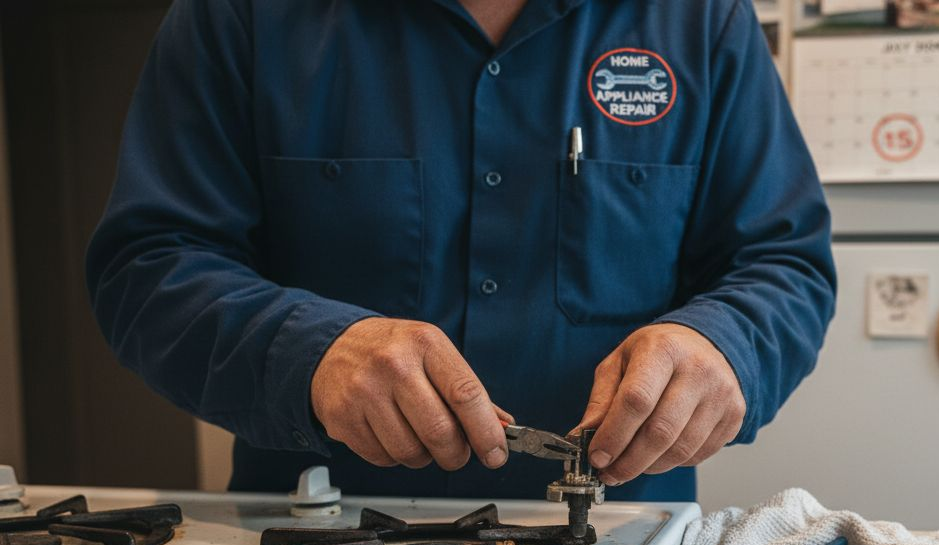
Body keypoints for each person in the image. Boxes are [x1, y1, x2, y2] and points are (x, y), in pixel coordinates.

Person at [87, 0, 835, 504]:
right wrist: (309, 354)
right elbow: (150, 266)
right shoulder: (239, 15)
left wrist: (722, 345)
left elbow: (783, 263)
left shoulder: (701, 17)